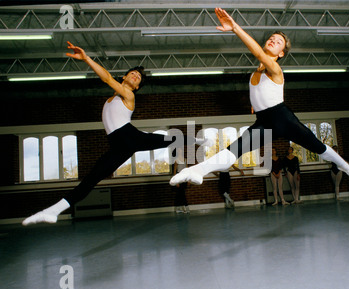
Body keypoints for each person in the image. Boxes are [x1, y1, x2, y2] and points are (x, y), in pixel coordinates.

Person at [22, 41, 211, 226]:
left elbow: (106, 79)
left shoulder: (129, 95)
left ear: (137, 87)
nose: (136, 76)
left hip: (129, 136)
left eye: (138, 77)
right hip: (118, 144)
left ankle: (197, 140)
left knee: (168, 139)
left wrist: (86, 58)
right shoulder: (111, 99)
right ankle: (53, 211)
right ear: (125, 77)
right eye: (133, 73)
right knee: (93, 177)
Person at [170, 8, 349, 189]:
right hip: (264, 121)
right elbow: (260, 93)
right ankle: (196, 171)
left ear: (281, 53)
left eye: (278, 42)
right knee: (234, 149)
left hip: (283, 118)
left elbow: (259, 54)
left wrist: (235, 27)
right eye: (271, 38)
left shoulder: (275, 69)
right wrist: (255, 104)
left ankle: (344, 165)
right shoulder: (254, 75)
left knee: (317, 146)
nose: (273, 41)